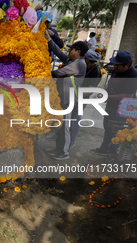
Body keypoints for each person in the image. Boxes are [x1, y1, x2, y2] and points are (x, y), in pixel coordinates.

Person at [45, 30, 88, 160]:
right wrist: (49, 40)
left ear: (78, 51)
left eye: (72, 49)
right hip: (63, 98)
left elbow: (56, 73)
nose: (69, 51)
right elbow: (59, 52)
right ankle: (58, 150)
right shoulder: (72, 61)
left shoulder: (78, 64)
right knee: (61, 126)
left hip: (68, 100)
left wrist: (40, 67)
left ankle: (64, 153)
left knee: (65, 128)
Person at [91, 51, 137, 156]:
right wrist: (104, 92)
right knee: (107, 126)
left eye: (118, 64)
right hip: (110, 104)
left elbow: (128, 96)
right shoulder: (117, 70)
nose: (115, 66)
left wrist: (108, 97)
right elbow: (110, 82)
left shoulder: (132, 76)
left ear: (127, 65)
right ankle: (104, 148)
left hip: (121, 108)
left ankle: (112, 152)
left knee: (116, 130)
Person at [70, 50, 102, 149]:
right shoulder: (82, 65)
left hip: (81, 98)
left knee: (76, 118)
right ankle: (60, 135)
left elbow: (90, 91)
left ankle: (72, 140)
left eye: (87, 63)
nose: (85, 63)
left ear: (93, 62)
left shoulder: (95, 72)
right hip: (73, 95)